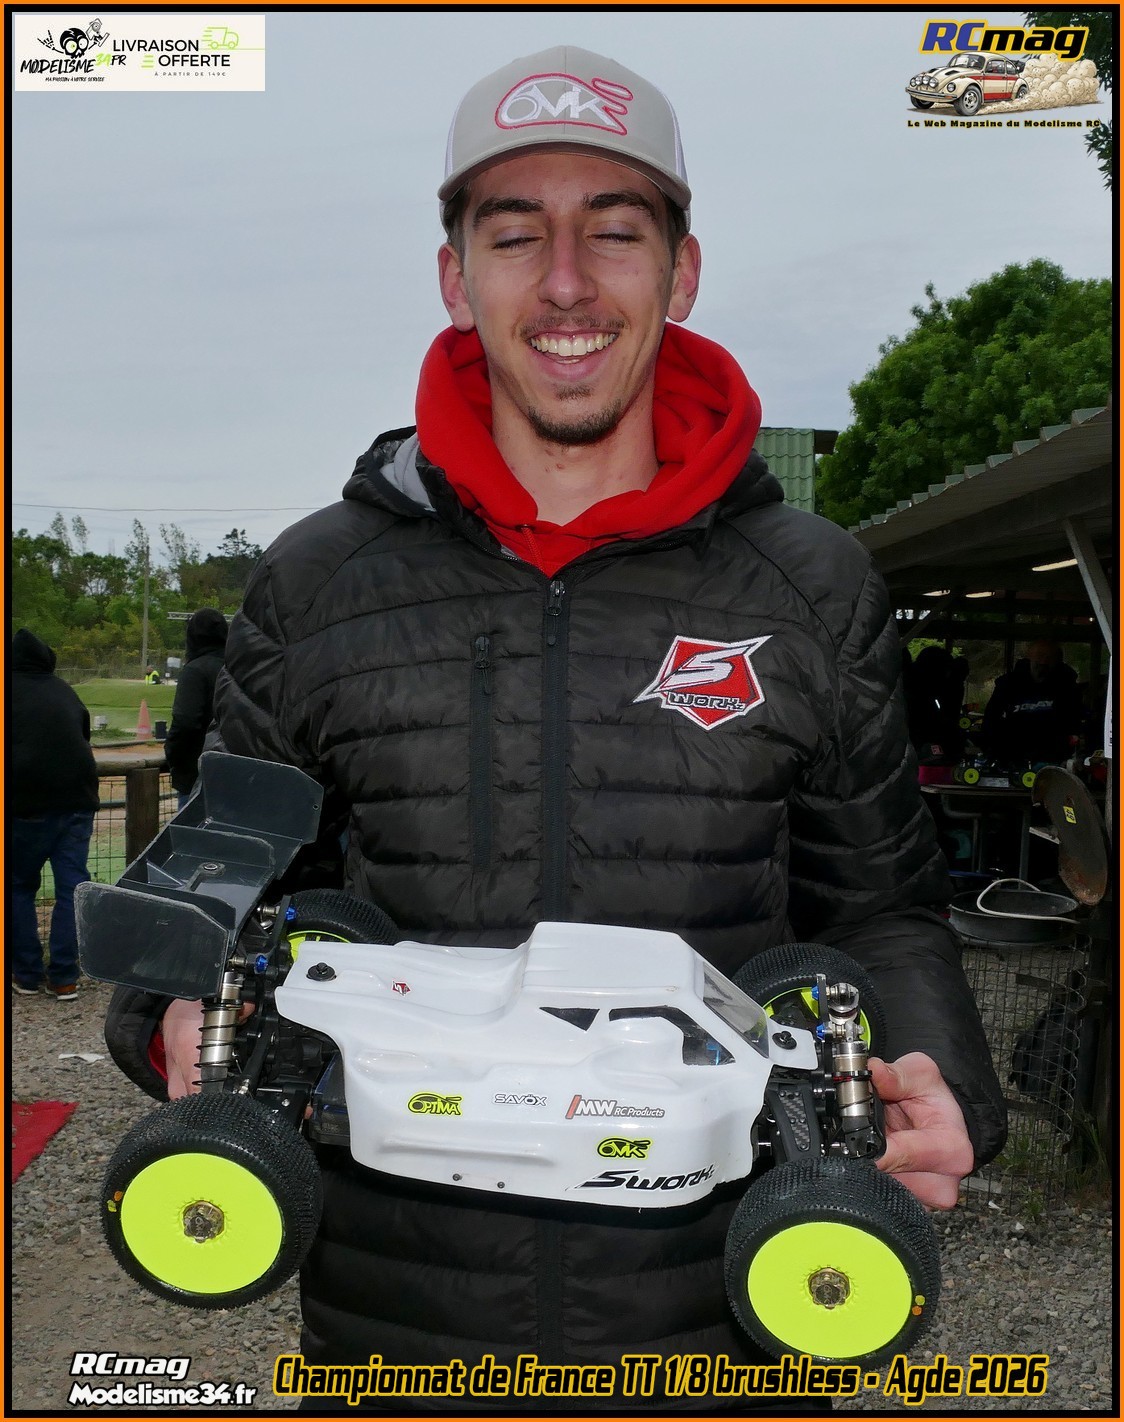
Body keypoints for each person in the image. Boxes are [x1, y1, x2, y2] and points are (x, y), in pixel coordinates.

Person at [106, 46, 1006, 1413]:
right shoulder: (319, 580)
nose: (567, 283)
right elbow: (218, 887)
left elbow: (879, 908)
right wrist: (167, 1016)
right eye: (516, 234)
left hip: (720, 1322)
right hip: (399, 1324)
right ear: (455, 275)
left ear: (681, 273)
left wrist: (946, 1098)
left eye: (615, 232)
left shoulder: (808, 587)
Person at [11, 629, 99, 1003]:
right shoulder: (65, 691)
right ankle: (64, 977)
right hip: (77, 801)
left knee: (16, 886)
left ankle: (26, 973)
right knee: (72, 888)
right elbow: (83, 735)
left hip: (23, 805)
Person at [162, 607, 229, 807]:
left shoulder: (195, 670)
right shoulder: (238, 666)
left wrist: (172, 755)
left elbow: (186, 722)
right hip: (236, 772)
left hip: (198, 776)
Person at [981, 638, 1081, 767]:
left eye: (1049, 658)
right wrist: (993, 752)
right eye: (1040, 655)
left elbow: (1074, 724)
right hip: (1011, 759)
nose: (1043, 661)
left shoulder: (1067, 687)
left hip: (1053, 760)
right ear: (1030, 656)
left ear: (1058, 661)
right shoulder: (1008, 685)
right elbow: (990, 720)